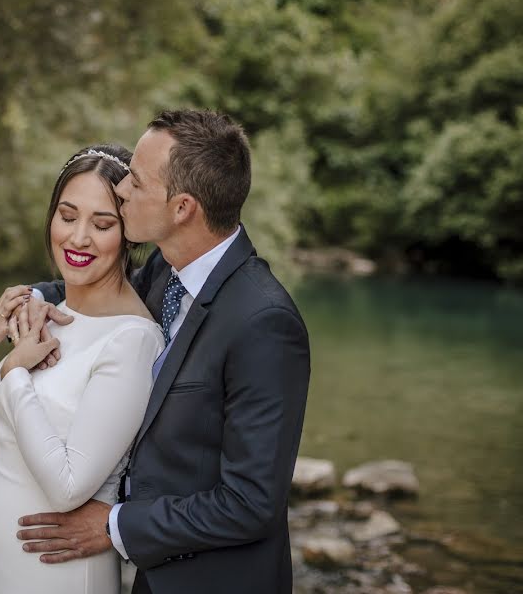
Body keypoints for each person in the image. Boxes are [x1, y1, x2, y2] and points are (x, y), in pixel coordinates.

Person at [16, 109, 311, 594]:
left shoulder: (264, 323)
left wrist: (115, 525)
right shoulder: (165, 268)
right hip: (147, 579)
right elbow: (104, 291)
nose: (123, 189)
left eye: (136, 181)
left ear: (183, 208)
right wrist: (34, 298)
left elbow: (251, 503)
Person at [0, 144, 165, 594]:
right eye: (68, 217)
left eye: (102, 224)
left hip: (54, 571)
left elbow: (67, 488)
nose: (79, 238)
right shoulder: (48, 314)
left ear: (129, 231)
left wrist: (12, 372)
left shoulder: (132, 340)